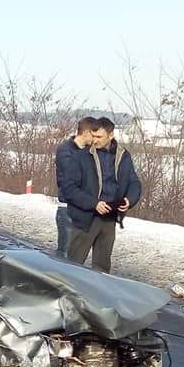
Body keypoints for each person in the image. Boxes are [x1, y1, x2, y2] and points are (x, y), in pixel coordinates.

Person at [65, 117, 141, 273]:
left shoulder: (123, 156)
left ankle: (95, 297)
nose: (94, 140)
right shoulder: (81, 157)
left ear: (111, 135)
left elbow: (134, 182)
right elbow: (69, 189)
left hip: (110, 218)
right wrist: (94, 204)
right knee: (72, 266)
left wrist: (129, 199)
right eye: (93, 136)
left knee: (102, 270)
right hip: (86, 218)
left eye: (99, 137)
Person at [55, 117, 98, 257]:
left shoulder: (88, 152)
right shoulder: (65, 151)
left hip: (83, 209)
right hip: (68, 208)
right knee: (66, 255)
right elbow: (71, 181)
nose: (95, 139)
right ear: (86, 132)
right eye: (93, 134)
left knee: (77, 257)